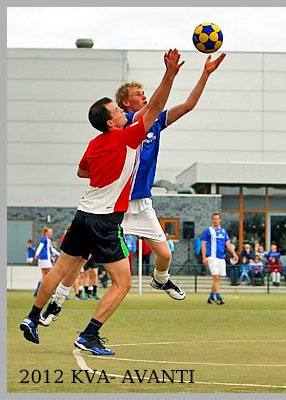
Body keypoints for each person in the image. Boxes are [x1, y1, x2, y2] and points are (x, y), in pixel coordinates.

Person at [20, 49, 184, 355]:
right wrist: (170, 74)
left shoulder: (95, 142)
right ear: (111, 122)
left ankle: (31, 318)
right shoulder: (127, 137)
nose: (124, 115)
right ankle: (89, 335)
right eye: (119, 112)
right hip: (105, 220)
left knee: (58, 271)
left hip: (83, 214)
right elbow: (158, 106)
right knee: (121, 284)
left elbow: (82, 170)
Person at [116, 52, 226, 300]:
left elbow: (188, 105)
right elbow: (154, 104)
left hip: (142, 202)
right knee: (86, 254)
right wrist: (169, 74)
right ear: (125, 103)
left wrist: (205, 74)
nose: (143, 96)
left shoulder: (156, 122)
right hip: (118, 204)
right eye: (137, 94)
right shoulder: (126, 122)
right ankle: (58, 297)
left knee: (165, 255)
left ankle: (161, 279)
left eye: (144, 93)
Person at [201, 213, 238, 305]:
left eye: (217, 219)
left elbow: (228, 244)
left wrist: (234, 253)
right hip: (212, 257)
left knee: (217, 279)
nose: (215, 220)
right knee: (216, 277)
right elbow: (203, 244)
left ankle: (210, 297)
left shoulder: (223, 231)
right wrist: (204, 257)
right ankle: (218, 297)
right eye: (214, 219)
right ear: (212, 220)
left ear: (220, 220)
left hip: (221, 258)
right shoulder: (208, 231)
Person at [33, 227, 60, 296]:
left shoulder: (48, 240)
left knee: (44, 276)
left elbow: (52, 250)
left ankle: (37, 291)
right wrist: (36, 254)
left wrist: (60, 254)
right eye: (49, 232)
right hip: (45, 258)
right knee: (51, 275)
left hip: (43, 259)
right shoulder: (44, 239)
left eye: (51, 232)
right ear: (45, 233)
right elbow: (40, 246)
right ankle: (51, 292)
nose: (51, 233)